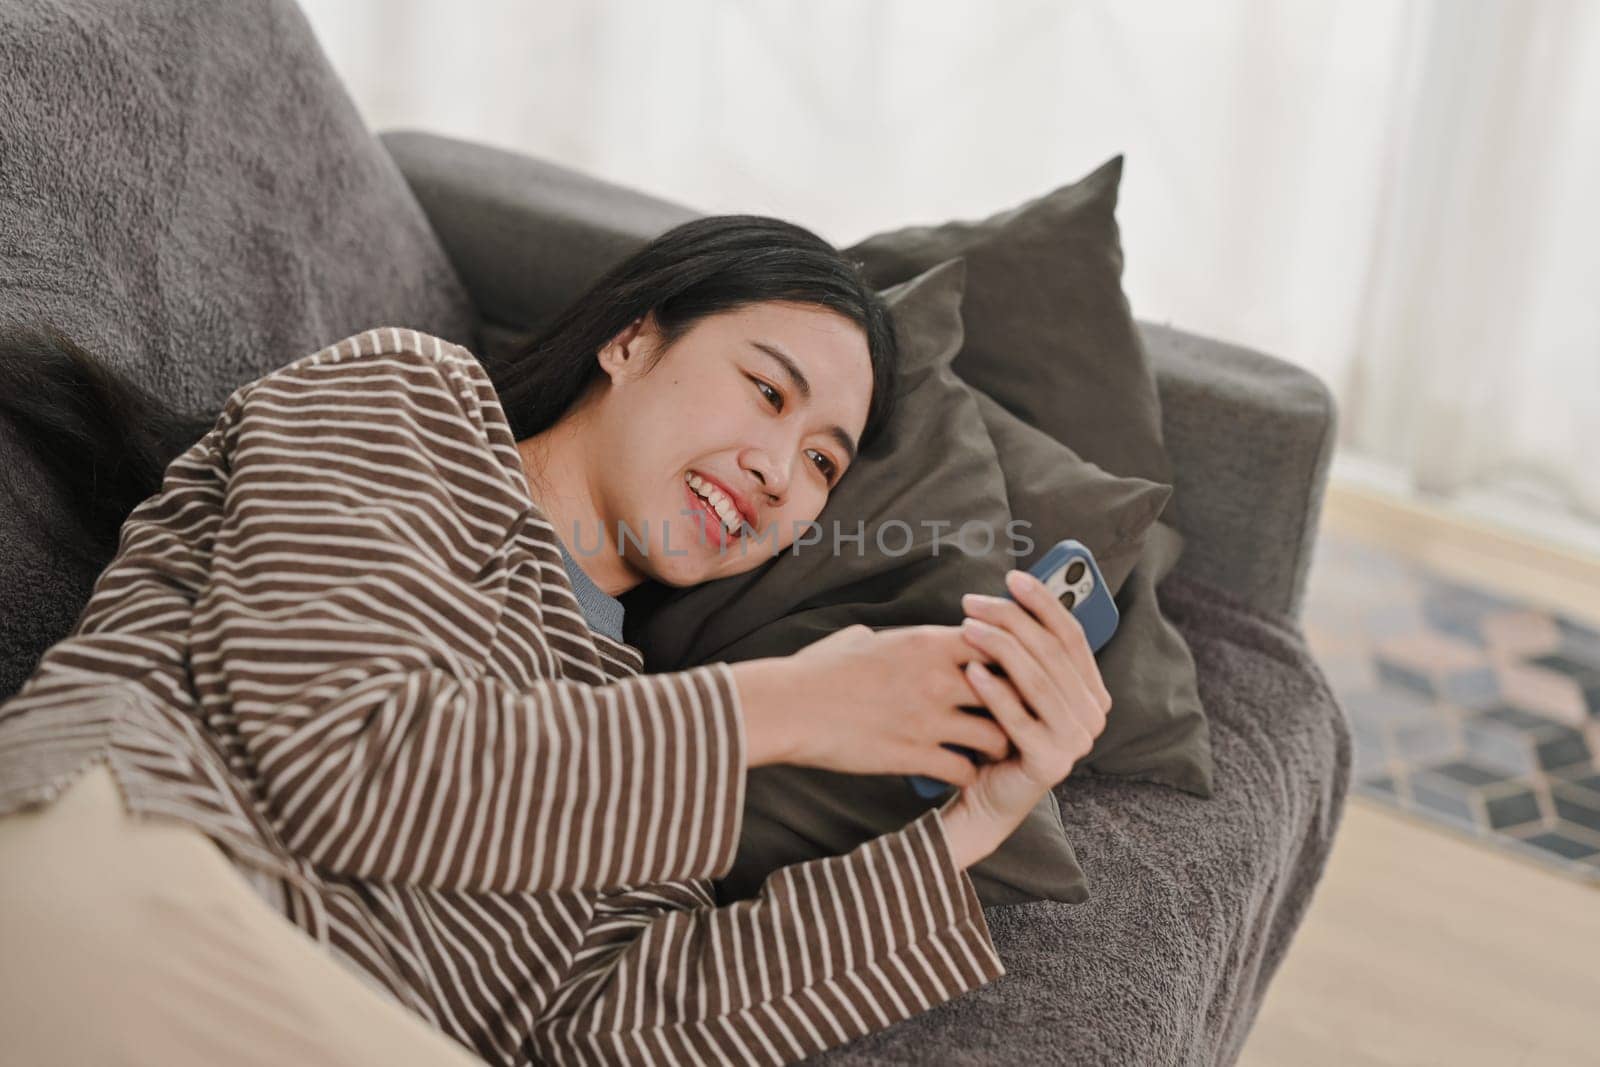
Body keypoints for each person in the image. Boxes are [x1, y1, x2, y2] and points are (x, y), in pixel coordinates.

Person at [0, 215, 1112, 1066]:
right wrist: (795, 705)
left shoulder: (649, 734)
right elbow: (341, 754)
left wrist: (976, 818)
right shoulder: (409, 406)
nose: (780, 471)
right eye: (766, 391)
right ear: (632, 339)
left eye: (823, 461)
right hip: (143, 871)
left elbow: (608, 1030)